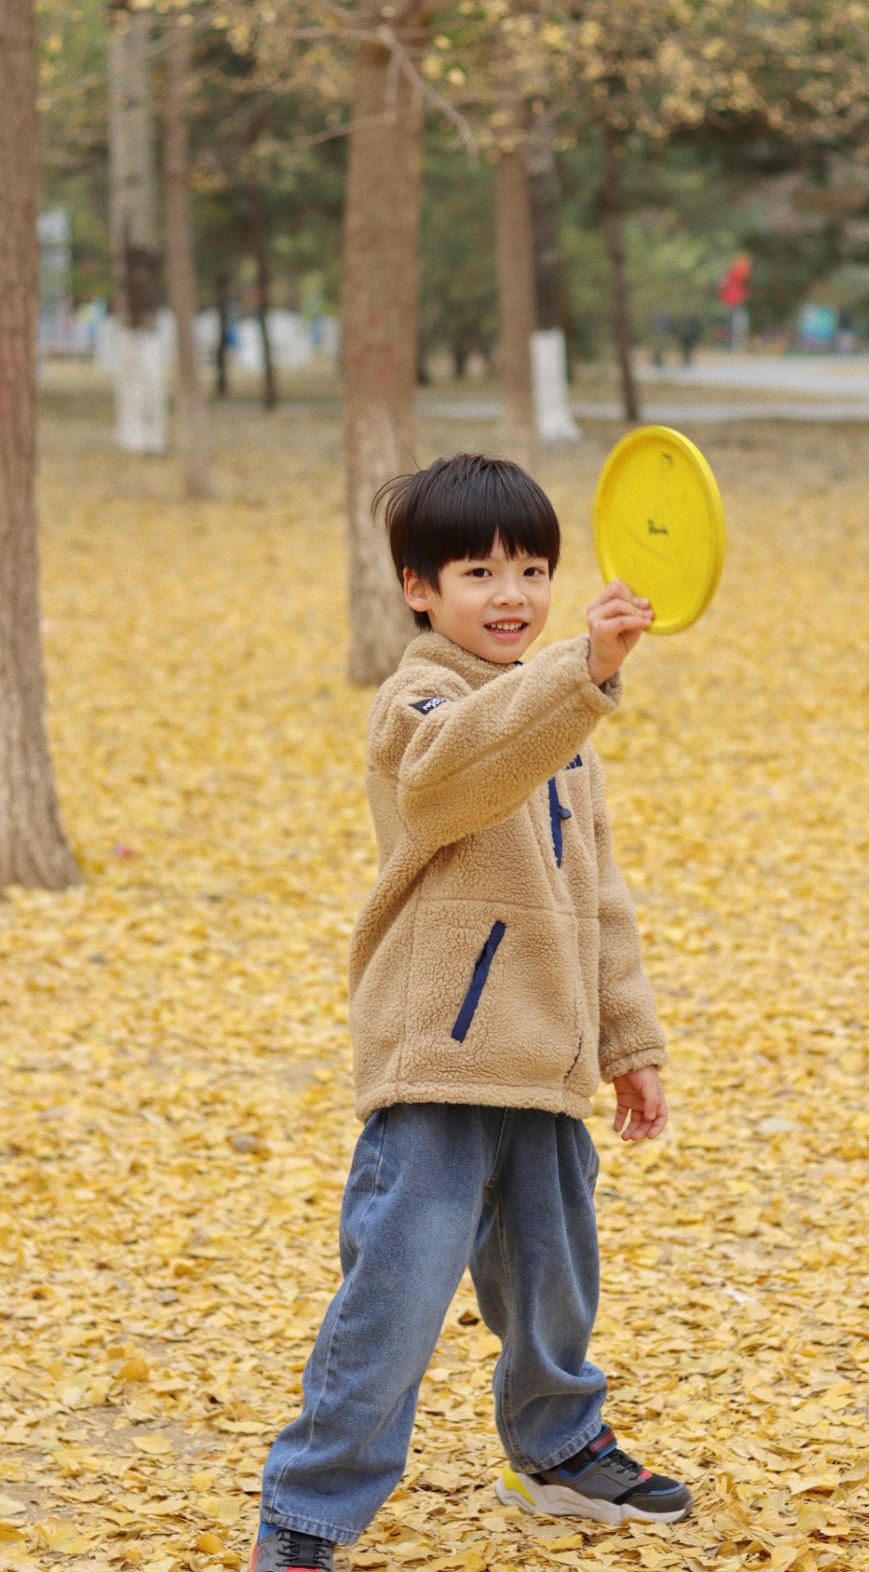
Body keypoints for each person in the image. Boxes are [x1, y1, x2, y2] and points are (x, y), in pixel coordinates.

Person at [251, 454, 692, 1572]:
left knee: (555, 1273)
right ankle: (307, 1514)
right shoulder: (422, 703)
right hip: (440, 1060)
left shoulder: (564, 724)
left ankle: (556, 1448)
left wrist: (629, 1041)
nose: (513, 594)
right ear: (419, 589)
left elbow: (598, 898)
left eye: (534, 568)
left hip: (547, 1061)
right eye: (480, 571)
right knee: (396, 1291)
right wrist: (579, 667)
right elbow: (458, 777)